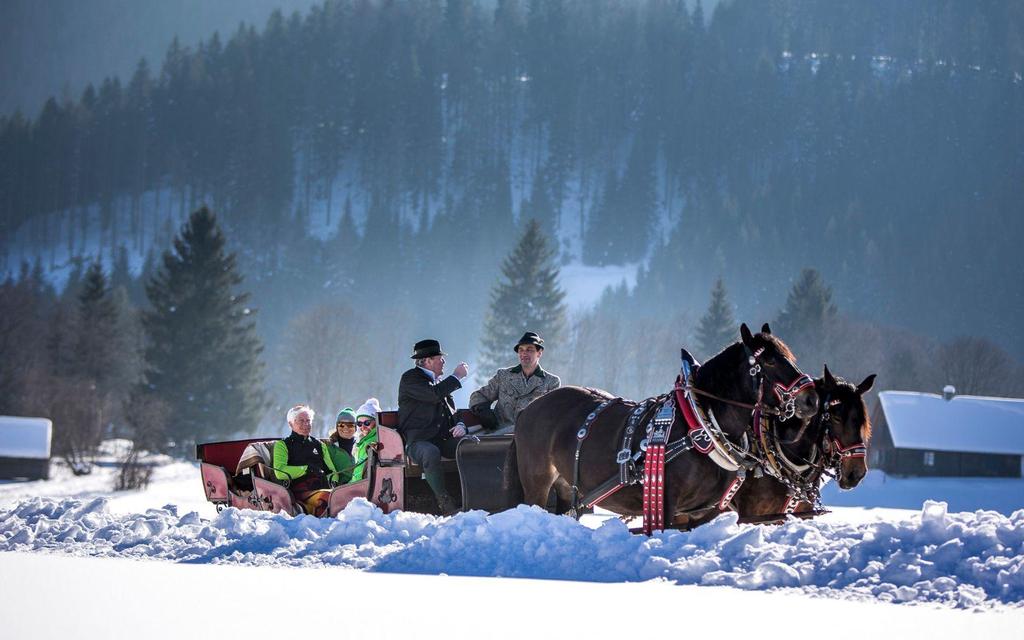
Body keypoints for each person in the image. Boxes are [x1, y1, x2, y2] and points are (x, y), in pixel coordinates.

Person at [397, 339, 470, 515]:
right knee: (430, 452)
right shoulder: (410, 379)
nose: (443, 361)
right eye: (440, 358)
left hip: (442, 440)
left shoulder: (439, 382)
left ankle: (474, 495)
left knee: (470, 446)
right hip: (417, 443)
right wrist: (456, 377)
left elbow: (452, 411)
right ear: (428, 360)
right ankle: (444, 502)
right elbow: (433, 395)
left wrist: (461, 425)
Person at [470, 331, 561, 433]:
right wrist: (484, 411)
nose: (524, 353)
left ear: (539, 353)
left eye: (529, 350)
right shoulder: (503, 376)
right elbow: (477, 396)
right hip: (497, 436)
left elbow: (552, 414)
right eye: (521, 350)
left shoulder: (551, 382)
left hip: (531, 437)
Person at [273, 404, 347, 515]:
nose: (306, 424)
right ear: (290, 424)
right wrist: (307, 469)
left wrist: (333, 482)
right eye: (301, 421)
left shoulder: (319, 445)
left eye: (308, 420)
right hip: (300, 490)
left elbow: (332, 471)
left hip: (322, 486)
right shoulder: (282, 445)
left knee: (344, 496)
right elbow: (279, 472)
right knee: (327, 497)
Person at [350, 398, 382, 482]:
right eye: (359, 424)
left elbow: (359, 475)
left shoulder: (372, 441)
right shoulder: (362, 442)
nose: (363, 427)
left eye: (367, 423)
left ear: (376, 422)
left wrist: (349, 486)